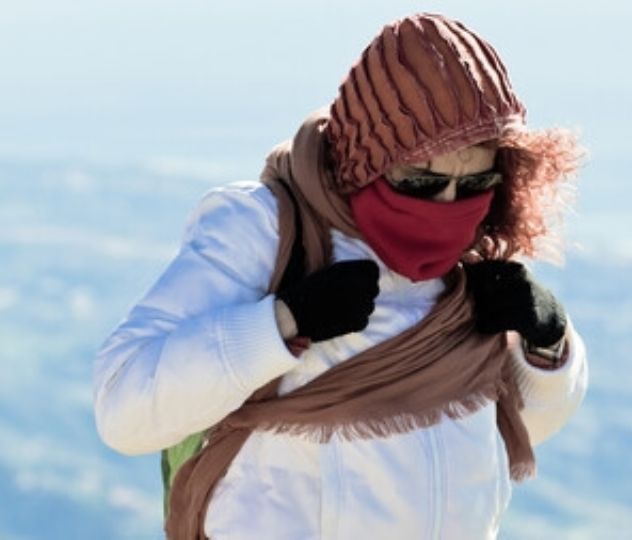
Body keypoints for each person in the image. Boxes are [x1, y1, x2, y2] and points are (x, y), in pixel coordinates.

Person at [94, 12, 587, 539]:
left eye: (474, 183)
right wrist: (283, 323)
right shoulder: (267, 231)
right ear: (366, 161)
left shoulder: (476, 257)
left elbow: (511, 430)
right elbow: (125, 410)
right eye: (421, 182)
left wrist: (548, 346)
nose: (448, 205)